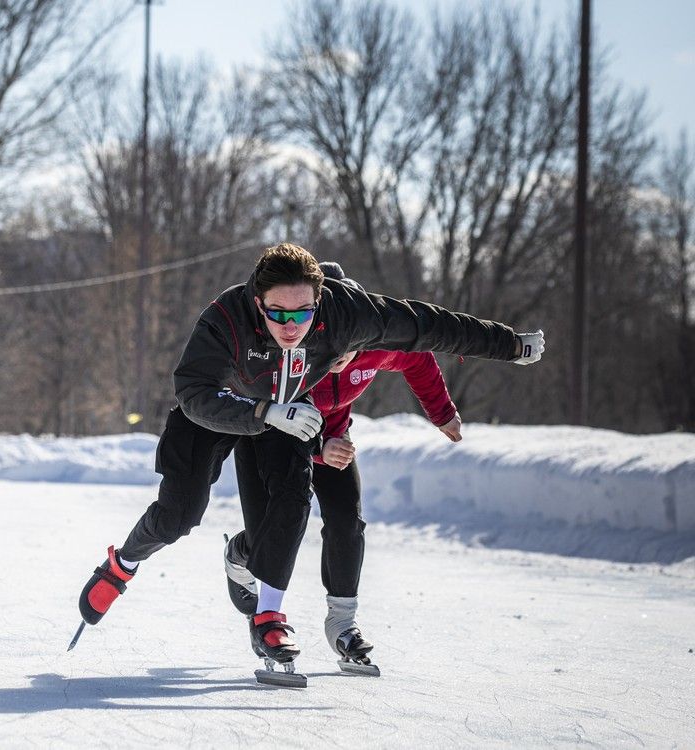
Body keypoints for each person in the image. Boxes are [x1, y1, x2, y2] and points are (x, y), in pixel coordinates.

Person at [76, 243, 544, 665]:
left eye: (302, 315)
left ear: (320, 303)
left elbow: (427, 327)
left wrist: (508, 344)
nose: (290, 326)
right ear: (257, 302)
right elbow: (193, 390)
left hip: (285, 413)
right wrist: (264, 412)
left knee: (295, 499)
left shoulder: (347, 313)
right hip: (216, 412)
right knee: (180, 515)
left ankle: (268, 619)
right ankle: (122, 565)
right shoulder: (225, 317)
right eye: (277, 314)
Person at [223, 261, 465, 667]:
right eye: (327, 336)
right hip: (273, 439)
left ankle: (343, 625)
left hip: (334, 436)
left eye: (347, 335)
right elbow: (266, 408)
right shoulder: (287, 348)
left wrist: (442, 415)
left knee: (346, 522)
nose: (335, 351)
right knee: (275, 530)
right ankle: (240, 554)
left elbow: (418, 359)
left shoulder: (377, 345)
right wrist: (319, 447)